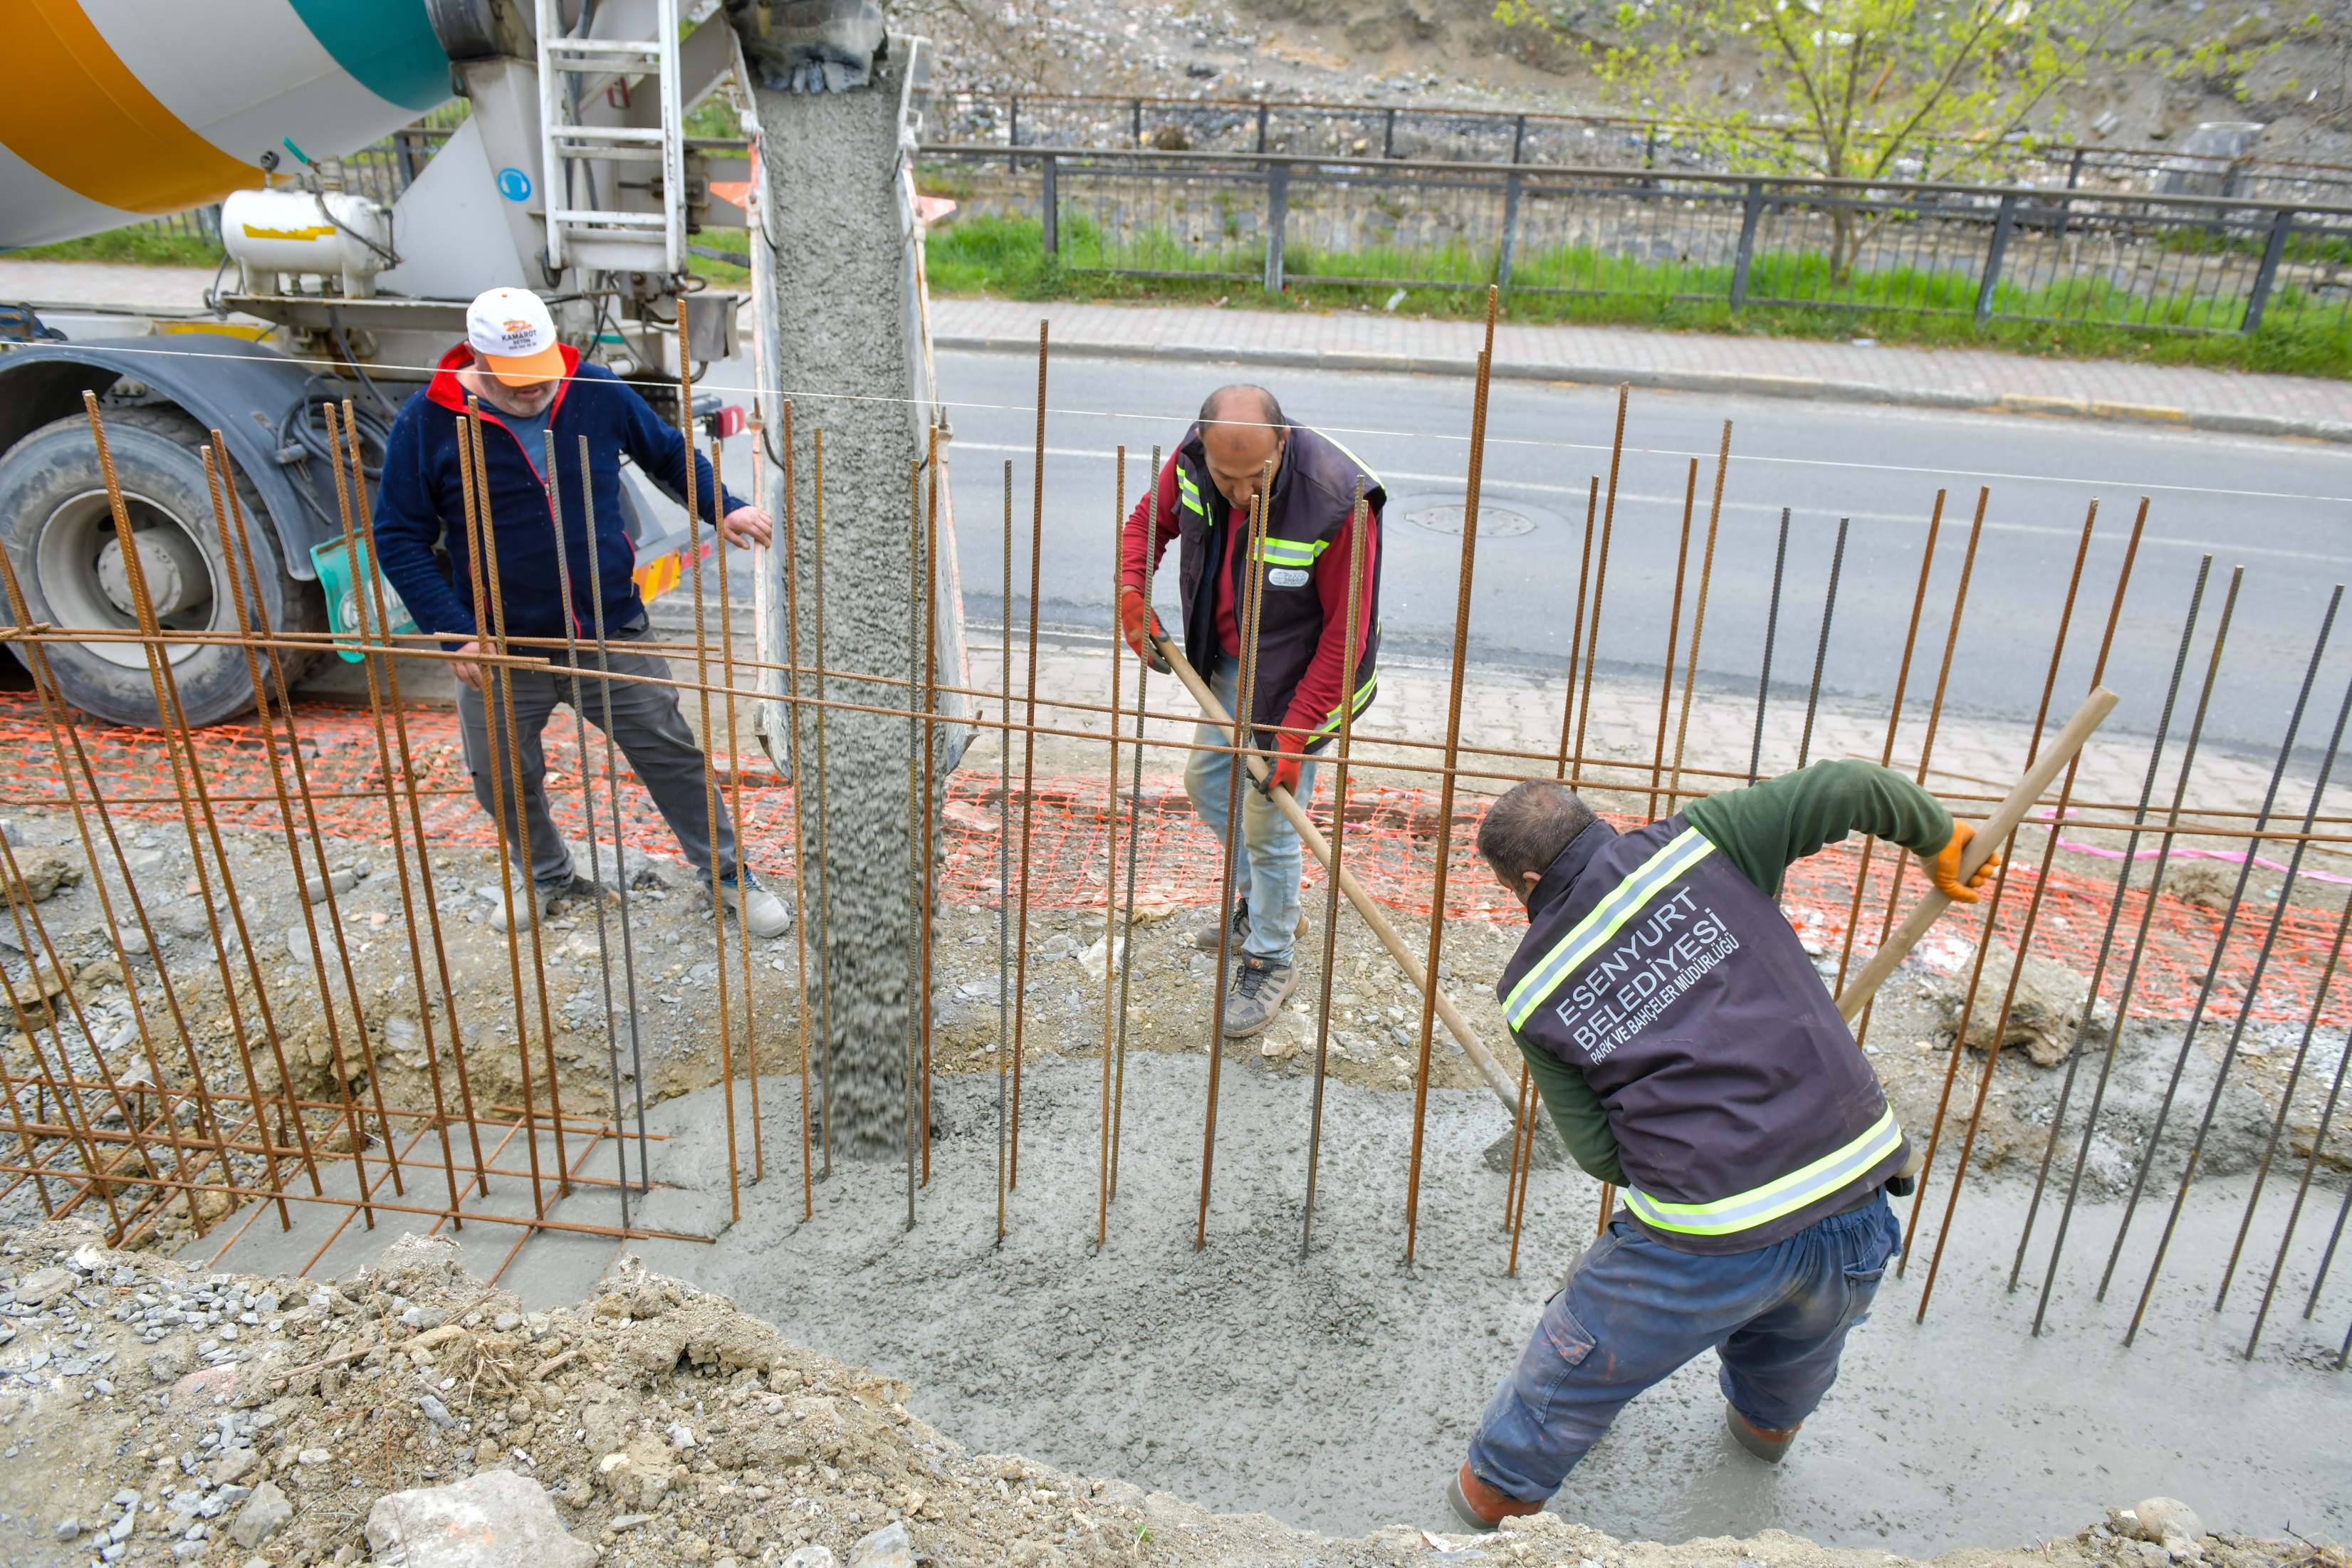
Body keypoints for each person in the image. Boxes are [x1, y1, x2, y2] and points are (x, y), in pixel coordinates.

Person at [1446, 758, 1997, 1532]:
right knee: (1791, 1366)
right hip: (1857, 1197)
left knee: (1557, 1389)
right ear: (1595, 823)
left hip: (1702, 1240)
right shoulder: (1705, 842)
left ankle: (1482, 1516)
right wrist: (1937, 834)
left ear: (1526, 881)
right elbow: (1848, 788)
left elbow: (1604, 1159)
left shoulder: (1531, 990)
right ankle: (1763, 1438)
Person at [373, 286, 788, 938]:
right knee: (500, 776)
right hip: (500, 647)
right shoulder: (427, 421)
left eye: (541, 372)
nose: (534, 389)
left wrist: (723, 505)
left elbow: (668, 453)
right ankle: (547, 873)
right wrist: (455, 634)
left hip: (607, 626)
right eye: (516, 381)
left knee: (671, 754)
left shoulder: (593, 389)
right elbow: (398, 536)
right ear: (477, 357)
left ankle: (728, 873)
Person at [1119, 385, 1382, 1038]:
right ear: (1204, 449)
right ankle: (1266, 901)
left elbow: (1344, 640)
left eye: (1255, 477)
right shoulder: (1190, 461)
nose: (1239, 493)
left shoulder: (1335, 501)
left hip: (1302, 682)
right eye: (1224, 477)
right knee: (1206, 782)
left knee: (1269, 822)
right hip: (1231, 667)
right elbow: (1146, 523)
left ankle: (1272, 956)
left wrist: (1292, 740)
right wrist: (1131, 589)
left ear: (1283, 442)